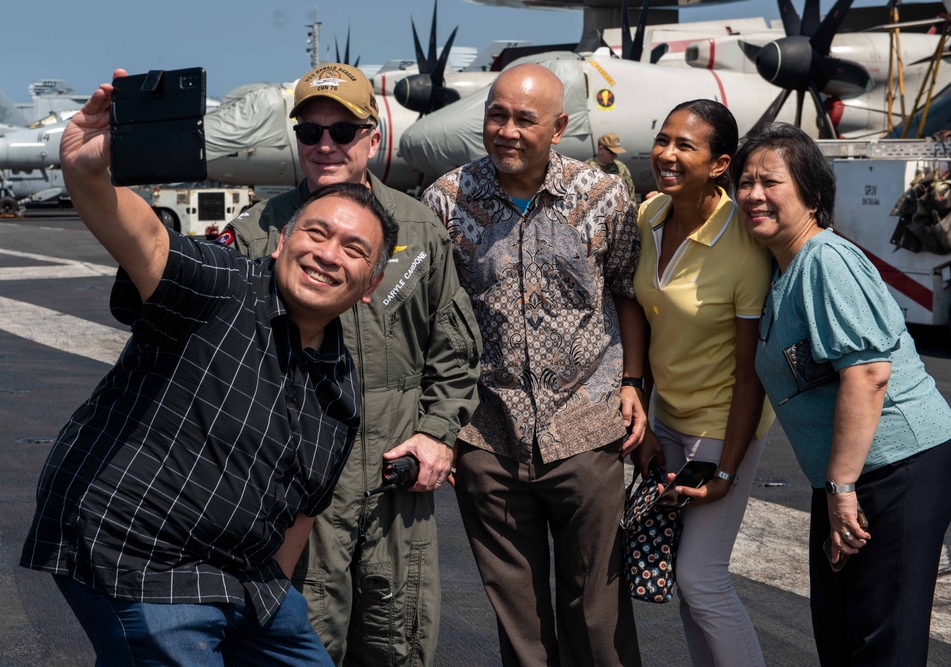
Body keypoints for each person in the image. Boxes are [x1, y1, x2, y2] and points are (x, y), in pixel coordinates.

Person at [20, 69, 398, 666]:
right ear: (279, 244)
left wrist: (267, 604)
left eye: (354, 250)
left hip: (241, 576)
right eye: (317, 234)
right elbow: (142, 236)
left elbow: (300, 518)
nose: (328, 255)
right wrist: (88, 171)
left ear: (372, 285)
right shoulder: (221, 284)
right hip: (133, 553)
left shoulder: (340, 393)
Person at [218, 62, 481, 665]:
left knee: (399, 641)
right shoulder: (259, 232)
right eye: (310, 132)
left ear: (374, 137)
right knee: (302, 642)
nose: (326, 145)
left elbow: (455, 349)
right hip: (294, 495)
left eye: (343, 131)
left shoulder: (417, 228)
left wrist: (438, 436)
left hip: (395, 484)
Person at [423, 63, 647, 667]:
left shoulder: (603, 196)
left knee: (598, 618)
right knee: (520, 627)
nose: (508, 131)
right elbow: (430, 321)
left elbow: (626, 291)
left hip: (587, 429)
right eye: (497, 114)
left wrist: (632, 382)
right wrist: (440, 429)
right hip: (486, 436)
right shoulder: (446, 202)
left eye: (526, 119)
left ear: (558, 128)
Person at [732, 122, 951, 666]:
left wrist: (843, 489)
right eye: (745, 181)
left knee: (884, 639)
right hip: (846, 474)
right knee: (842, 632)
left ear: (811, 194)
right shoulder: (782, 269)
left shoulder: (825, 260)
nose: (753, 193)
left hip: (895, 465)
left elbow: (868, 374)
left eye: (770, 181)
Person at [631, 99, 774, 667]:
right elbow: (637, 315)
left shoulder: (744, 244)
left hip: (723, 424)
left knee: (702, 579)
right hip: (667, 417)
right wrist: (641, 413)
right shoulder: (650, 218)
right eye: (663, 139)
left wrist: (728, 469)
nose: (666, 154)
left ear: (720, 164)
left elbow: (749, 375)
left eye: (684, 146)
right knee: (689, 592)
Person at [587, 131, 636, 201]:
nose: (615, 156)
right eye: (612, 152)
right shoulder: (586, 168)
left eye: (616, 153)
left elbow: (630, 192)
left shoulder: (620, 167)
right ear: (601, 149)